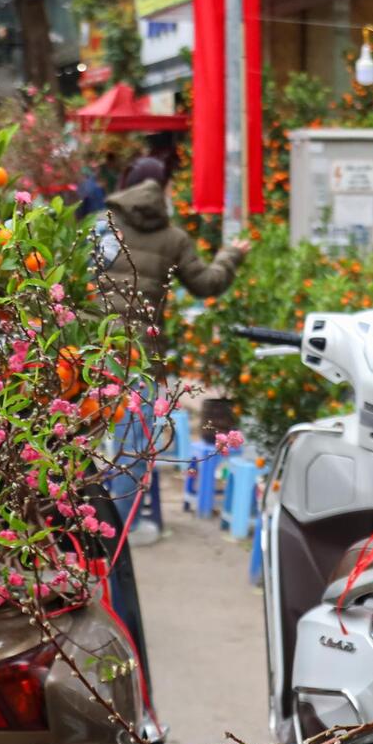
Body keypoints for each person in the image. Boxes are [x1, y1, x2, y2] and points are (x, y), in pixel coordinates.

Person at [99, 155, 249, 546]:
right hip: (138, 355)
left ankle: (88, 526)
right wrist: (231, 254)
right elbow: (206, 284)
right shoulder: (173, 237)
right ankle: (125, 529)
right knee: (133, 443)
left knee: (85, 436)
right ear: (162, 189)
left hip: (90, 350)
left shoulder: (103, 225)